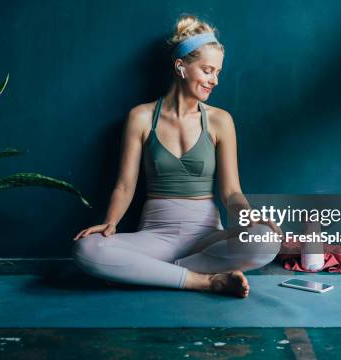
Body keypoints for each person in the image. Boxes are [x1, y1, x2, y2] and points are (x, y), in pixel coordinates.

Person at [72, 15, 281, 298]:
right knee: (87, 250)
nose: (214, 81)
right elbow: (124, 185)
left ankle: (149, 273)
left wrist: (249, 217)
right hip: (155, 235)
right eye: (207, 70)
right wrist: (110, 222)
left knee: (265, 241)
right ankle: (205, 280)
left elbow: (231, 192)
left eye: (218, 72)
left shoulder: (220, 121)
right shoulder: (141, 117)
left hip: (208, 236)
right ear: (181, 67)